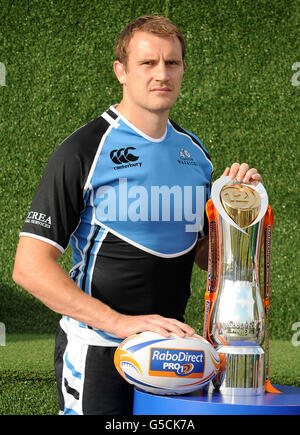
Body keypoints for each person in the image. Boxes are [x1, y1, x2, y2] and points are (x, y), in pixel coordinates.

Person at [13, 15, 262, 415]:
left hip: (174, 354)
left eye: (172, 63)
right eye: (148, 63)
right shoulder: (84, 150)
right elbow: (29, 267)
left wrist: (236, 213)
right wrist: (119, 323)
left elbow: (200, 254)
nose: (161, 74)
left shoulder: (194, 154)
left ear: (183, 70)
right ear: (121, 71)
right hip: (99, 350)